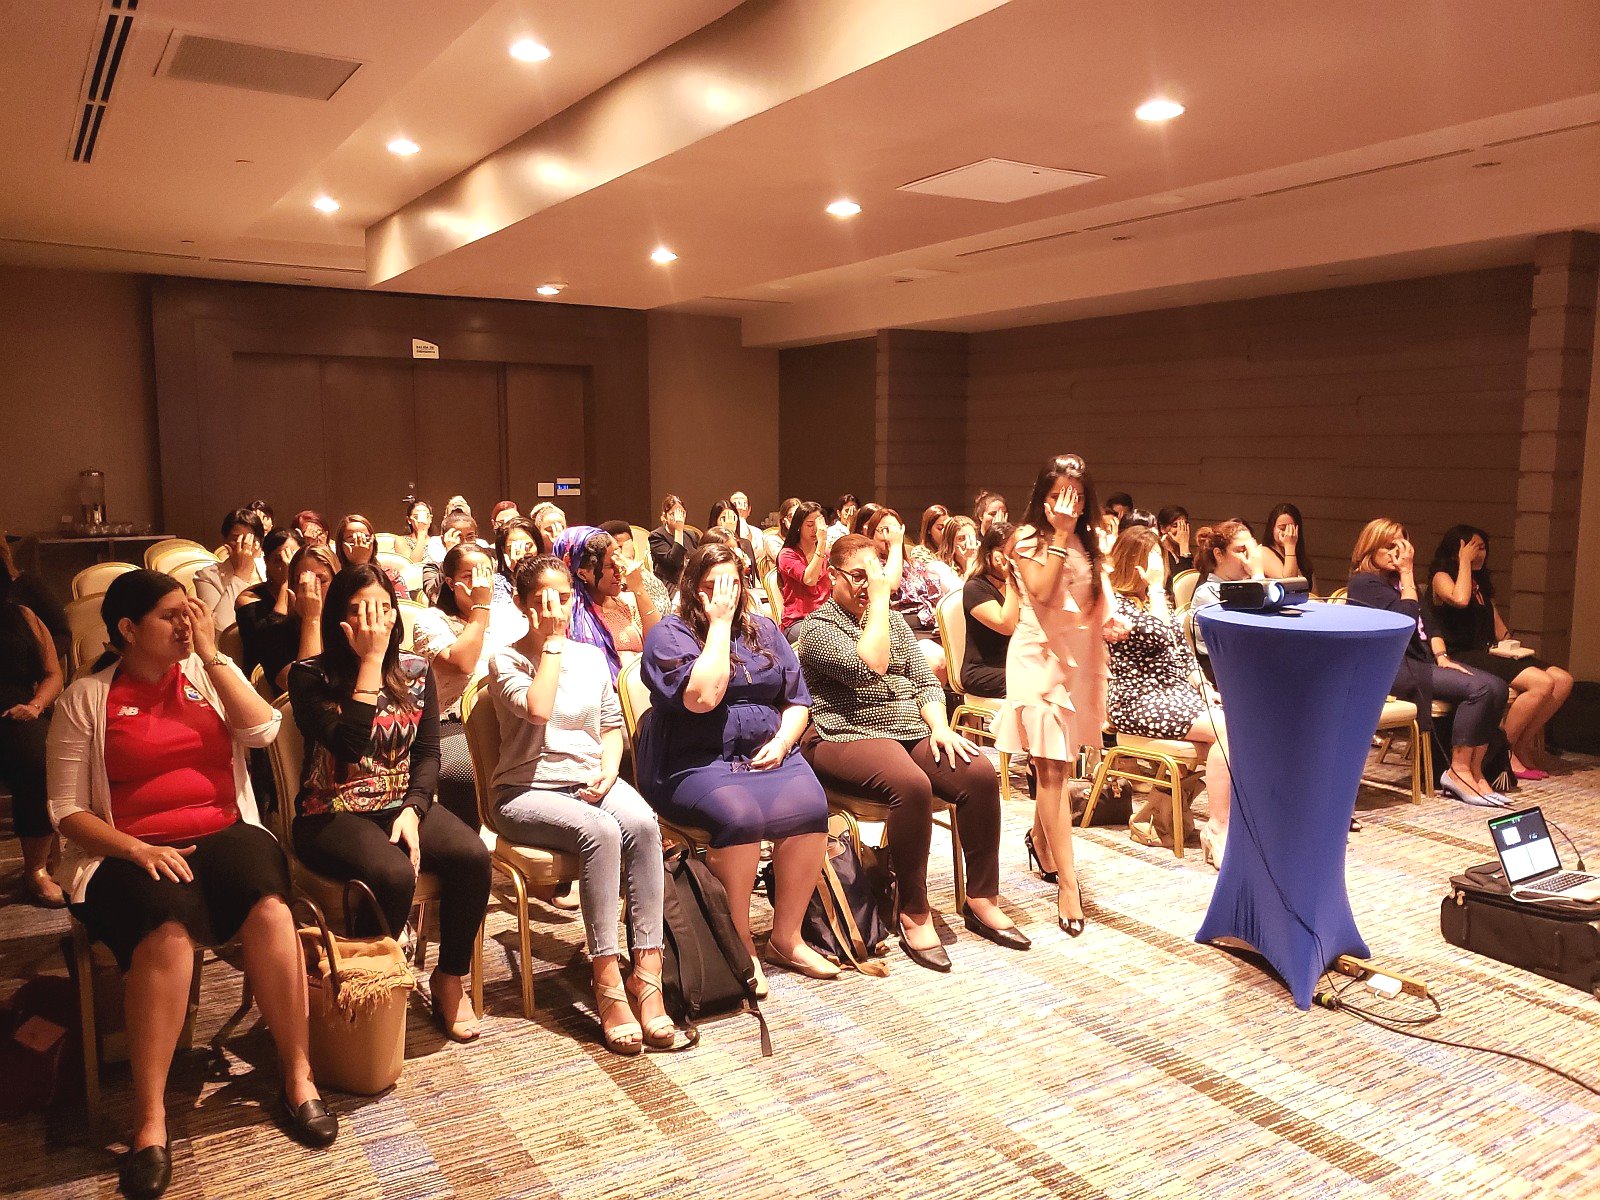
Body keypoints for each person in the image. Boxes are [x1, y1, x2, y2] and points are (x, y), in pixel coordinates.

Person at [48, 571, 334, 1198]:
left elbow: (264, 730)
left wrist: (212, 654)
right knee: (168, 929)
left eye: (190, 611)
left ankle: (298, 1075)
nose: (187, 623)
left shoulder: (206, 675)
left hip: (222, 830)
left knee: (270, 905)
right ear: (128, 629)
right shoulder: (86, 699)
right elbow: (66, 811)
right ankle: (150, 1121)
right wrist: (136, 848)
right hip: (127, 847)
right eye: (170, 615)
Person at [798, 535, 1026, 972]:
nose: (868, 585)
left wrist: (940, 727)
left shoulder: (893, 623)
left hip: (907, 728)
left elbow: (924, 682)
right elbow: (869, 665)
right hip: (842, 733)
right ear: (832, 575)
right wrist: (881, 599)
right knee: (911, 785)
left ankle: (982, 898)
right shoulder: (816, 628)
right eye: (859, 576)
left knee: (978, 773)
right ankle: (914, 910)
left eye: (875, 575)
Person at [288, 564, 490, 1043]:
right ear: (339, 618)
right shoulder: (310, 675)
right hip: (330, 810)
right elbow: (350, 745)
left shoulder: (416, 671)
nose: (372, 621)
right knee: (394, 873)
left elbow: (428, 752)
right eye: (359, 610)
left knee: (473, 857)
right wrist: (370, 662)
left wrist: (414, 809)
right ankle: (371, 986)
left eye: (382, 609)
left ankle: (449, 978)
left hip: (399, 801)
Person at [488, 555, 669, 1054]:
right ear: (522, 605)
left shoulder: (589, 657)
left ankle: (647, 974)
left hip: (591, 778)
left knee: (644, 823)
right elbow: (538, 709)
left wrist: (610, 767)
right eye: (544, 600)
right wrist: (550, 643)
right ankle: (605, 976)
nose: (557, 608)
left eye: (564, 598)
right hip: (526, 791)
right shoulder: (506, 660)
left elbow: (610, 727)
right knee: (602, 832)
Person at [637, 544, 835, 985]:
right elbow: (702, 698)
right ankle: (738, 942)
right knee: (740, 817)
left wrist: (783, 741)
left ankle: (787, 938)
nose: (722, 595)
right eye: (711, 586)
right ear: (692, 588)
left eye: (731, 585)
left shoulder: (764, 629)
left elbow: (797, 701)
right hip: (693, 759)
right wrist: (720, 625)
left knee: (810, 807)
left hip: (766, 752)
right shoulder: (669, 634)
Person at [995, 454, 1121, 937]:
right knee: (1052, 772)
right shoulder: (1028, 540)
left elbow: (1092, 597)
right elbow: (1045, 593)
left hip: (1076, 661)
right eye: (1056, 496)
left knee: (1059, 767)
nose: (1066, 506)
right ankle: (1069, 885)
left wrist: (1110, 619)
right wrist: (1062, 536)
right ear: (1042, 498)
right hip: (1037, 660)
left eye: (1076, 497)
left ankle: (1040, 840)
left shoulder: (1090, 542)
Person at [1347, 518, 1508, 805]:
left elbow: (1429, 624)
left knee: (1497, 687)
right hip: (1391, 668)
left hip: (1422, 663)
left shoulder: (1400, 582)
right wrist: (1408, 574)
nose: (1398, 553)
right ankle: (1457, 771)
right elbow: (1405, 622)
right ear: (1371, 548)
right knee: (1480, 690)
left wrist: (1443, 658)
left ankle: (1475, 770)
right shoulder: (1364, 583)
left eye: (1402, 545)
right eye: (1390, 547)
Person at [1105, 528, 1231, 866]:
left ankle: (1236, 825)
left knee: (1242, 728)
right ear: (1133, 563)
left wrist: (1202, 685)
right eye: (1154, 561)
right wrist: (1157, 589)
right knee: (1229, 732)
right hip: (1138, 698)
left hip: (1175, 695)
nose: (1160, 569)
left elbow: (1181, 651)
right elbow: (1161, 634)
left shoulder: (1155, 601)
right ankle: (1217, 829)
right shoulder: (1114, 604)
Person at [1428, 525, 1572, 779]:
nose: (1479, 554)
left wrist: (1514, 649)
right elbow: (1459, 600)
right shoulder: (1442, 577)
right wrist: (1464, 562)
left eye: (1483, 548)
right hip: (1459, 655)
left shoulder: (1480, 586)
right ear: (1457, 550)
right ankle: (1503, 749)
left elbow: (1500, 631)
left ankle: (1521, 745)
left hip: (1487, 653)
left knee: (1562, 680)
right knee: (1541, 683)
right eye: (1473, 548)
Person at [411, 544, 497, 827]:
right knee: (462, 773)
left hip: (507, 715)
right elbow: (462, 664)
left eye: (485, 573)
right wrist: (480, 608)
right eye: (469, 576)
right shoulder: (431, 620)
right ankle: (463, 844)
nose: (480, 583)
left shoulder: (510, 617)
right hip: (453, 721)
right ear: (450, 582)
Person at [2, 568, 65, 906]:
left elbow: (53, 673)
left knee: (38, 759)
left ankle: (36, 868)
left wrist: (36, 705)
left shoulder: (23, 615)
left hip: (18, 711)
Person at [554, 525, 662, 680]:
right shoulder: (570, 617)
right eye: (610, 565)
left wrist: (639, 590)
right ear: (583, 574)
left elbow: (659, 642)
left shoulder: (625, 602)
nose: (619, 570)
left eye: (618, 560)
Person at [237, 543, 336, 697]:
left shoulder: (347, 623)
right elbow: (305, 690)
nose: (310, 588)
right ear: (292, 587)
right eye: (302, 582)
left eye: (321, 581)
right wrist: (311, 619)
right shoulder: (274, 632)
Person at [863, 507, 945, 683]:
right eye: (884, 530)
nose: (891, 535)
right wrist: (895, 546)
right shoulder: (871, 565)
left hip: (934, 629)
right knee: (937, 660)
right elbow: (890, 585)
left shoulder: (916, 565)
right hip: (904, 631)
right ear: (871, 535)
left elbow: (936, 597)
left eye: (895, 530)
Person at [960, 523, 1018, 699]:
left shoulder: (1021, 585)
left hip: (1013, 661)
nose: (1010, 557)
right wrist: (1010, 579)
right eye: (1003, 550)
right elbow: (1006, 625)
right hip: (982, 670)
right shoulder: (975, 587)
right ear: (988, 553)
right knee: (1033, 681)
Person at [192, 508, 265, 629]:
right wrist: (241, 573)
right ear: (224, 540)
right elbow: (219, 627)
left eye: (249, 540)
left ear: (259, 543)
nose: (243, 546)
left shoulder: (268, 568)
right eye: (236, 539)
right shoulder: (206, 576)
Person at [776, 501, 832, 636]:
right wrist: (822, 543)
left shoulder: (827, 554)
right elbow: (810, 579)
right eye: (810, 525)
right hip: (798, 621)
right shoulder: (787, 554)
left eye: (818, 525)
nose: (815, 530)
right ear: (798, 526)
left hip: (825, 617)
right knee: (826, 637)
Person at [599, 520, 672, 616]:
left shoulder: (646, 576)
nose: (621, 552)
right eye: (616, 548)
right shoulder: (603, 579)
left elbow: (663, 611)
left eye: (624, 546)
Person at [334, 513, 409, 599]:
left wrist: (363, 563)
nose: (360, 545)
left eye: (365, 539)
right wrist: (359, 563)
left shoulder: (391, 575)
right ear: (341, 545)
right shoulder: (333, 577)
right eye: (352, 540)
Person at [1261, 502, 1314, 590]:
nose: (1287, 533)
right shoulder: (1264, 552)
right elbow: (1289, 584)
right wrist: (1290, 546)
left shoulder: (1302, 557)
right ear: (1272, 529)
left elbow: (1314, 592)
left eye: (1291, 529)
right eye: (1282, 528)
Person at [648, 495, 697, 589]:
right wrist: (678, 530)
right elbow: (674, 562)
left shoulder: (692, 535)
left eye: (681, 513)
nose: (678, 518)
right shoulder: (656, 536)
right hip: (669, 584)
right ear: (665, 516)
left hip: (689, 581)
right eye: (672, 514)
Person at [708, 498, 758, 585]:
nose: (730, 522)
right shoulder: (709, 544)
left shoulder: (745, 544)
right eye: (724, 518)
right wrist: (727, 533)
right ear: (715, 521)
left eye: (733, 518)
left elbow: (753, 576)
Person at [933, 514, 980, 592]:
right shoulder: (941, 568)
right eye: (961, 538)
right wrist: (969, 561)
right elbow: (962, 595)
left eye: (971, 537)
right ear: (950, 543)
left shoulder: (983, 566)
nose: (967, 543)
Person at [1156, 506, 1193, 583]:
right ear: (1162, 528)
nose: (1181, 531)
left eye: (1184, 525)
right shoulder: (1157, 552)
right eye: (1175, 526)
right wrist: (1184, 547)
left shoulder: (1186, 551)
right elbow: (1180, 582)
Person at [395, 498, 433, 564]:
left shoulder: (437, 541)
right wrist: (421, 533)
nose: (421, 521)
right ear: (409, 520)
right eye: (416, 517)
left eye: (426, 516)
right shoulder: (402, 541)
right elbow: (412, 565)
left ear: (430, 519)